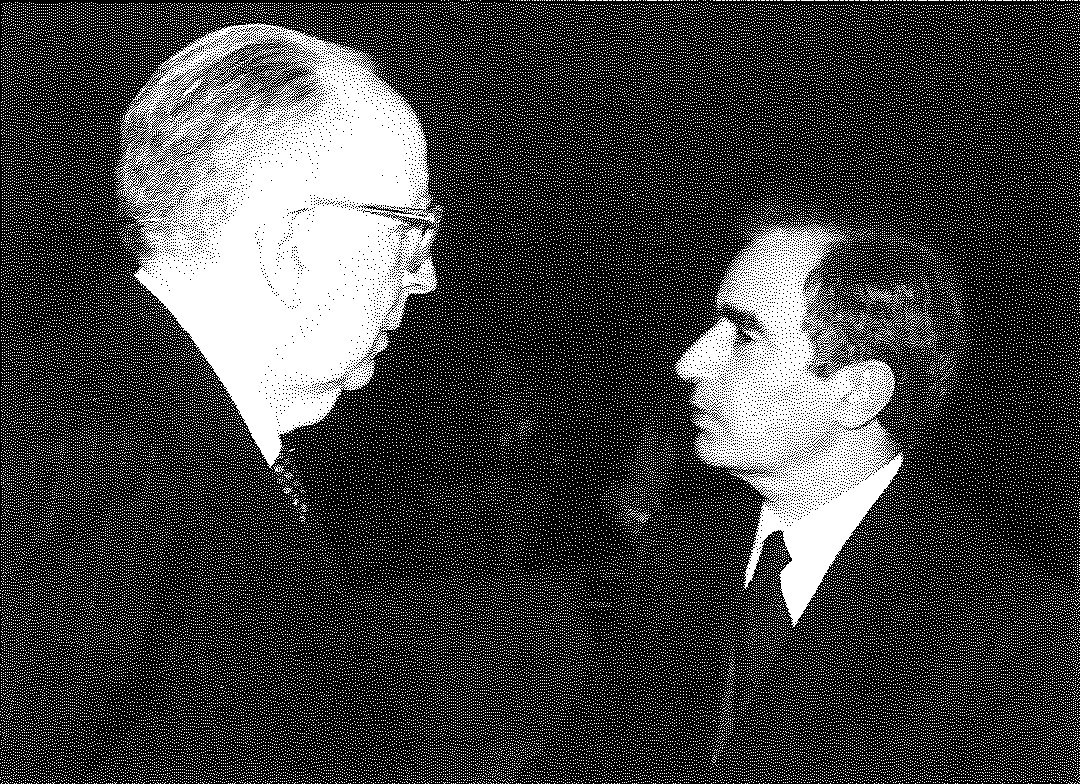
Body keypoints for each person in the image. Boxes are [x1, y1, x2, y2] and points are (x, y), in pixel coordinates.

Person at [2, 24, 585, 782]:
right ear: (291, 251)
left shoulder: (119, 426)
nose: (425, 279)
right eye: (409, 235)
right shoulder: (109, 489)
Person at [589, 206, 1075, 782]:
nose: (690, 362)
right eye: (712, 326)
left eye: (744, 335)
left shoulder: (1010, 637)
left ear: (855, 395)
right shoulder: (651, 563)